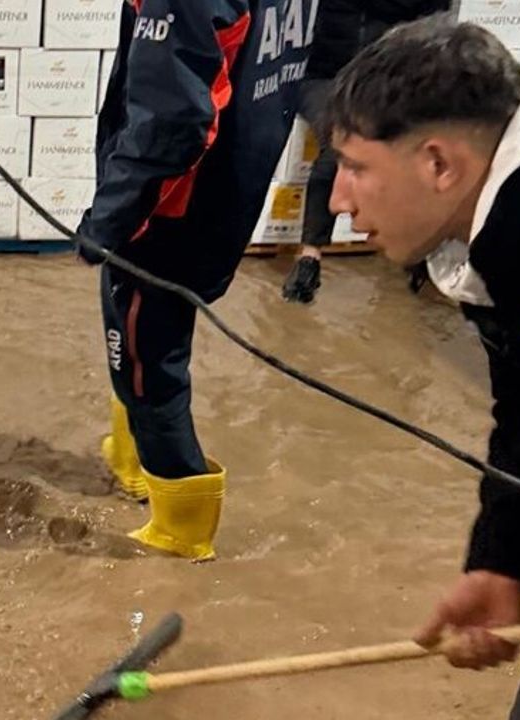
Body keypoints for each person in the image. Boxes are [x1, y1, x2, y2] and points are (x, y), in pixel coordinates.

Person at [324, 16, 520, 717]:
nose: (337, 200)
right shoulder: (509, 238)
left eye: (356, 167)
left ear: (439, 164)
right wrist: (501, 563)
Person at [77, 0, 315, 557]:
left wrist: (109, 220)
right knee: (140, 339)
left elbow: (175, 116)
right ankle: (131, 462)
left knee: (147, 362)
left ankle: (180, 534)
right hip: (231, 183)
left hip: (172, 208)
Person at [280, 0, 447, 303]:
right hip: (323, 78)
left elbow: (433, 26)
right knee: (342, 140)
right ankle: (310, 256)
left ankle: (418, 250)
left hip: (385, 81)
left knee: (418, 143)